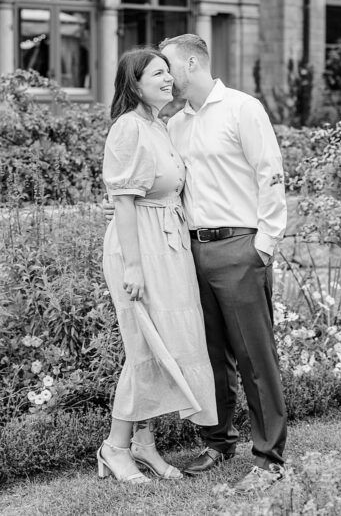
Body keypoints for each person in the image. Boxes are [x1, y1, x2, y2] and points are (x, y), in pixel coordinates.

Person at [158, 34, 288, 493]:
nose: (163, 75)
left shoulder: (242, 108)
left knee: (255, 357)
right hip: (193, 251)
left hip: (240, 247)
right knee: (209, 356)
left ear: (191, 63)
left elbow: (270, 173)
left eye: (167, 66)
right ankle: (217, 441)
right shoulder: (174, 124)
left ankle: (269, 455)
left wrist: (264, 244)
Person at [97, 48, 218, 483]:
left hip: (168, 243)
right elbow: (124, 201)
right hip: (141, 250)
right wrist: (132, 266)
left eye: (169, 71)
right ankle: (115, 448)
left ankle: (145, 445)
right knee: (143, 347)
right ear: (135, 83)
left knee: (167, 345)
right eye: (158, 73)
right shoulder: (128, 128)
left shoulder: (159, 125)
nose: (168, 79)